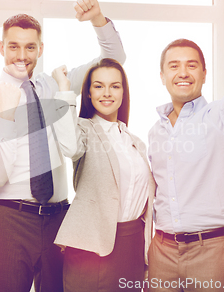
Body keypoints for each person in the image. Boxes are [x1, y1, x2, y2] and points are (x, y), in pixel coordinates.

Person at [0, 0, 126, 292]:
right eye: (13, 46)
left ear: (41, 49)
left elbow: (114, 61)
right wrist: (6, 116)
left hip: (59, 219)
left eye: (30, 47)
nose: (21, 55)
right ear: (1, 48)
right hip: (12, 220)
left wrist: (97, 19)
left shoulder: (54, 86)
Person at [147, 0, 224, 292]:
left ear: (203, 73)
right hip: (162, 252)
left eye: (191, 65)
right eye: (174, 66)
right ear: (162, 76)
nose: (182, 72)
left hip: (212, 251)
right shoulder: (155, 130)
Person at [52, 58, 156, 292]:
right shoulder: (84, 130)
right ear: (88, 93)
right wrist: (64, 89)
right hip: (92, 246)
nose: (107, 93)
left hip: (132, 245)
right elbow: (69, 147)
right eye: (98, 86)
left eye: (115, 86)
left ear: (123, 92)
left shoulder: (134, 141)